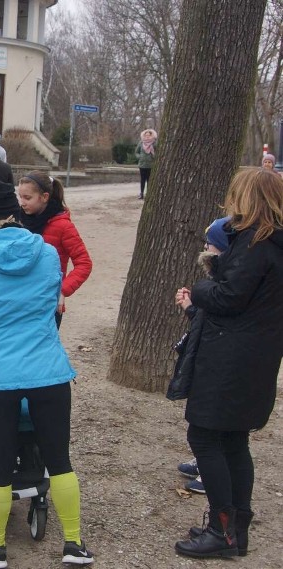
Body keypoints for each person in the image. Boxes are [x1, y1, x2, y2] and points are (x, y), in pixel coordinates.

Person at [0, 183, 94, 567]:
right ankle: (74, 544)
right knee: (59, 460)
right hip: (48, 370)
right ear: (16, 213)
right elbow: (53, 293)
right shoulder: (45, 252)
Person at [173, 168, 283, 559]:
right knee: (234, 440)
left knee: (205, 437)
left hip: (231, 360)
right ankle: (235, 530)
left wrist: (202, 288)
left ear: (248, 199)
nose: (229, 203)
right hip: (253, 357)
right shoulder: (268, 244)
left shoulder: (257, 245)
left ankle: (222, 531)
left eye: (235, 196)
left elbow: (228, 299)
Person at [170, 216, 233, 496]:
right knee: (204, 426)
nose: (206, 247)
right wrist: (192, 308)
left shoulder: (230, 283)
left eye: (211, 243)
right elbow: (208, 320)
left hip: (224, 366)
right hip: (210, 360)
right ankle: (206, 462)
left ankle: (213, 473)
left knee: (212, 427)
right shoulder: (217, 279)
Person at [17, 171, 92, 328]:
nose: (22, 202)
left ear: (44, 197)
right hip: (20, 302)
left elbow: (84, 263)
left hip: (48, 306)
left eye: (27, 198)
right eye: (20, 197)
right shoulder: (19, 222)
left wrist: (63, 290)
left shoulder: (63, 226)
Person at [135, 128, 157, 199]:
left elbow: (158, 152)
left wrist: (154, 156)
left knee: (149, 180)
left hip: (151, 165)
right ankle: (141, 194)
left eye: (149, 135)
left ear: (152, 136)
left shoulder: (154, 143)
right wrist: (139, 157)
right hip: (142, 164)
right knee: (142, 180)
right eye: (146, 135)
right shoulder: (141, 143)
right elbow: (136, 152)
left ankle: (149, 194)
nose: (147, 137)